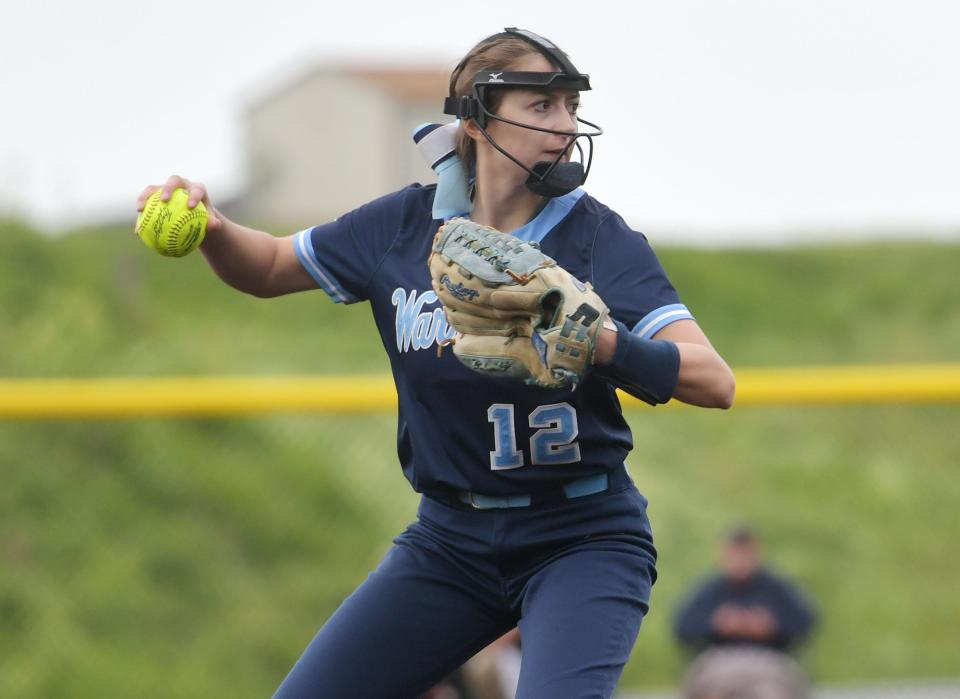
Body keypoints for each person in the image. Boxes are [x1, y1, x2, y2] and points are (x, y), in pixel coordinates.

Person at [136, 27, 735, 699]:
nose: (565, 124)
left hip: (582, 536)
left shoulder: (596, 236)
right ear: (476, 119)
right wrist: (216, 228)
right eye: (542, 106)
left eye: (570, 105)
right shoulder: (401, 226)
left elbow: (715, 379)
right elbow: (271, 266)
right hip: (451, 540)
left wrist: (604, 344)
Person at [673, 527, 817, 699]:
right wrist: (717, 624)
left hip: (767, 661)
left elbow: (805, 621)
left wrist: (771, 626)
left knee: (772, 692)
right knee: (709, 689)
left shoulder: (774, 587)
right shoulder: (712, 589)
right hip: (720, 660)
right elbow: (682, 626)